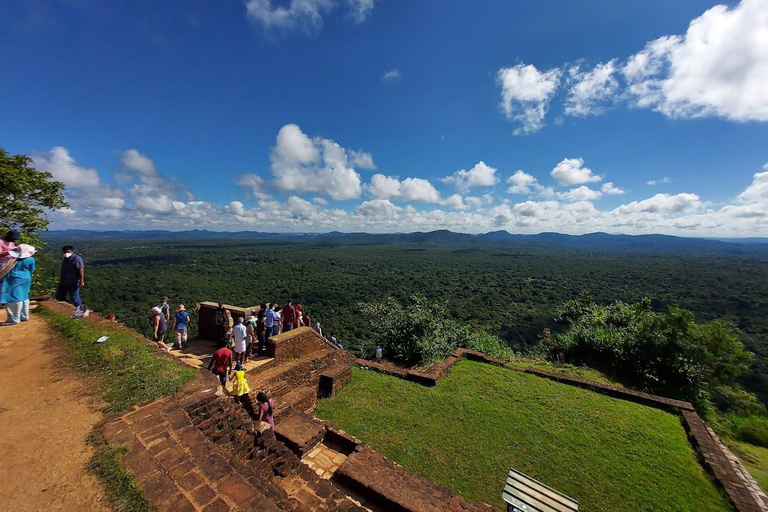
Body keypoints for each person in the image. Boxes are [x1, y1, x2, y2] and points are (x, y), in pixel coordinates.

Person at [1, 244, 36, 326]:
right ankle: (24, 315)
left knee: (14, 298)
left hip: (13, 279)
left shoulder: (11, 260)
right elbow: (32, 270)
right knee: (24, 296)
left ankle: (14, 318)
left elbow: (3, 268)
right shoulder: (31, 259)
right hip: (26, 278)